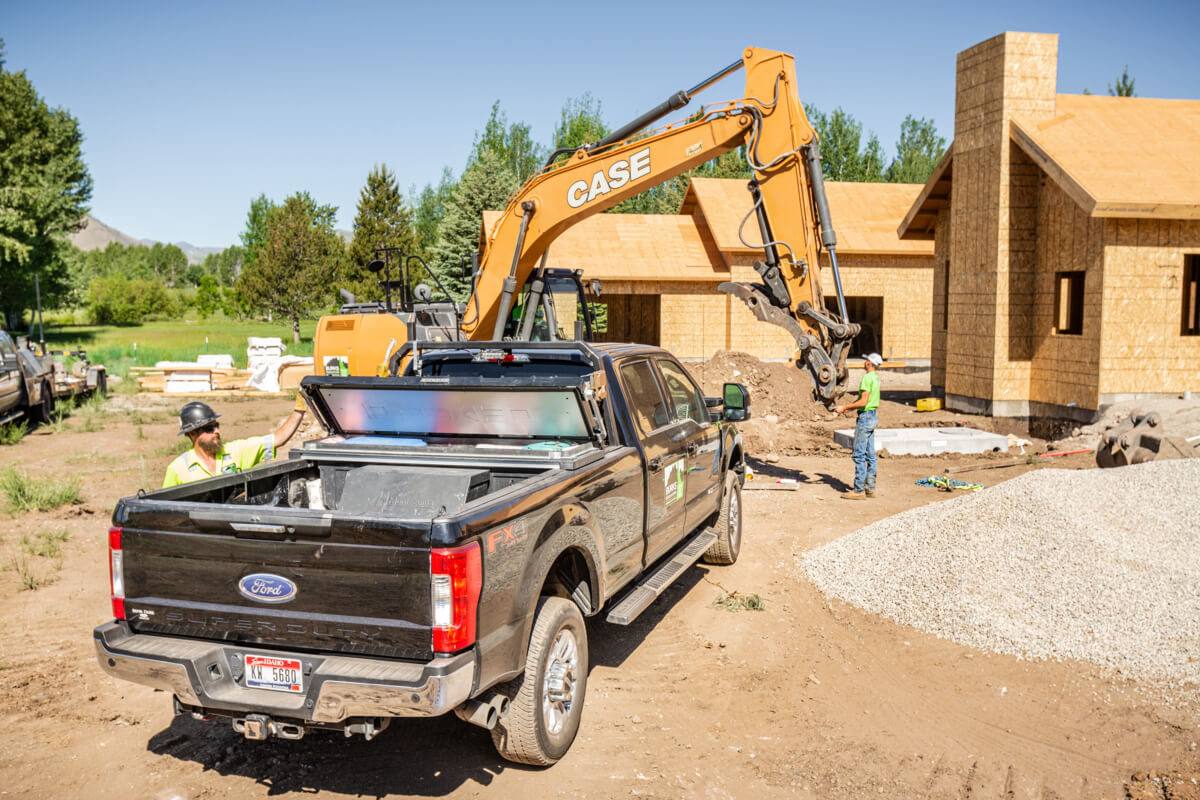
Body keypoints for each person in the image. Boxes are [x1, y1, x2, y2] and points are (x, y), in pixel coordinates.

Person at [162, 395, 307, 488]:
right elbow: (164, 508)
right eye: (210, 428)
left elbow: (278, 439)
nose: (217, 431)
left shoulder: (236, 451)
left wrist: (299, 408)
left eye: (217, 425)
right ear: (192, 433)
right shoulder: (177, 469)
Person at [833, 353, 882, 499]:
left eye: (866, 360)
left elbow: (863, 402)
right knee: (870, 454)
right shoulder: (876, 378)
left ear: (869, 363)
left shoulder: (867, 378)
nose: (864, 362)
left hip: (865, 416)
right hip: (873, 416)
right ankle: (870, 488)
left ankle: (858, 490)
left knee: (859, 454)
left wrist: (845, 407)